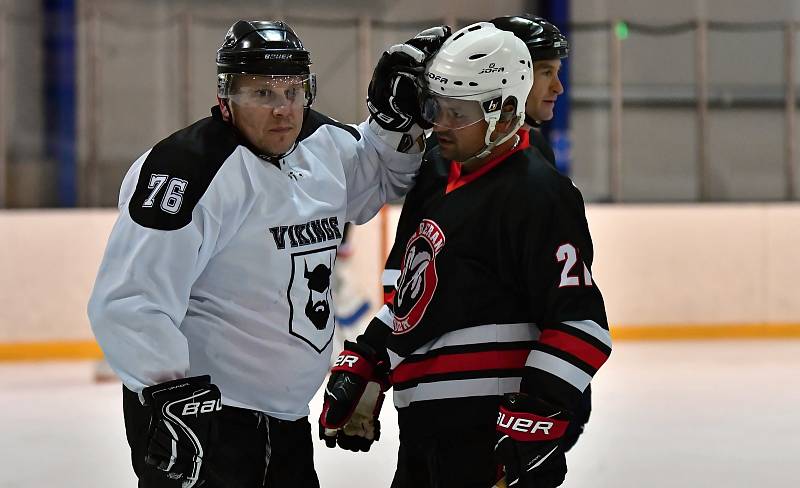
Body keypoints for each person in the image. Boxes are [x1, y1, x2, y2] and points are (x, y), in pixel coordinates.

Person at [88, 19, 448, 488]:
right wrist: (167, 396)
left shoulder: (322, 145)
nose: (283, 110)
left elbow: (374, 183)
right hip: (205, 426)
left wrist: (390, 126)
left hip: (287, 423)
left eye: (293, 92)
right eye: (262, 94)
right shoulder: (185, 171)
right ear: (226, 97)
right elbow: (130, 300)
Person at [318, 22, 611, 488]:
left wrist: (536, 416)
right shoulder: (444, 182)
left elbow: (581, 325)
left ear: (505, 110)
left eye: (458, 112)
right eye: (438, 108)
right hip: (426, 440)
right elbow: (418, 300)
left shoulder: (537, 192)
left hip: (484, 439)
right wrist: (369, 360)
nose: (439, 123)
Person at [492, 13, 594, 457]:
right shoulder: (445, 163)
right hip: (471, 402)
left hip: (523, 394)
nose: (559, 88)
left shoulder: (538, 151)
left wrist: (552, 395)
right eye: (546, 73)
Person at [492, 14, 569, 168]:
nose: (558, 88)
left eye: (557, 73)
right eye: (547, 73)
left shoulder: (539, 148)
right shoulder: (446, 155)